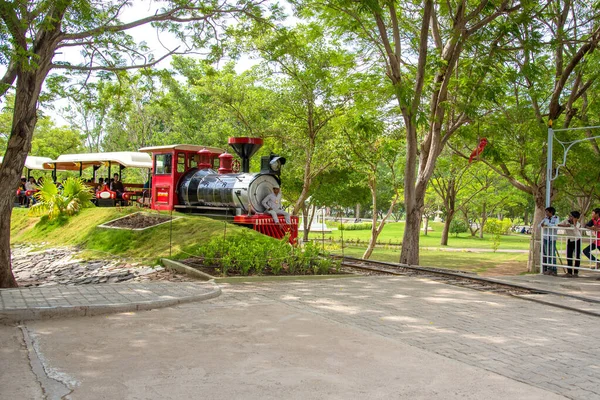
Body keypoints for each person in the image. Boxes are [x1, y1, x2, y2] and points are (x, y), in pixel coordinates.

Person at [558, 211, 581, 277]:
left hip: (577, 240)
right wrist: (565, 225)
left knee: (577, 256)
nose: (569, 217)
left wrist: (574, 223)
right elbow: (559, 224)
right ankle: (569, 272)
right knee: (569, 256)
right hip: (570, 240)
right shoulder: (566, 221)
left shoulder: (578, 224)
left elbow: (576, 230)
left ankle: (576, 272)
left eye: (571, 216)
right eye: (569, 216)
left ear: (576, 218)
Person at [540, 206, 559, 276]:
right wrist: (543, 224)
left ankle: (554, 269)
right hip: (546, 237)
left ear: (551, 212)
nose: (546, 213)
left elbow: (555, 226)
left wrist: (548, 224)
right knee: (547, 253)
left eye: (547, 212)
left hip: (552, 238)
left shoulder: (556, 218)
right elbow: (540, 225)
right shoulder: (545, 219)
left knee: (552, 253)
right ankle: (548, 268)